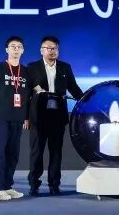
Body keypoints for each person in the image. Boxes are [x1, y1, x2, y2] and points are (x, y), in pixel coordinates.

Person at [26, 35, 84, 196]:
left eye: (55, 48)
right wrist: (26, 117)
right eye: (48, 48)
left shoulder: (65, 67)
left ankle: (54, 184)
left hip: (58, 116)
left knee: (56, 152)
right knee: (36, 152)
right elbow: (26, 92)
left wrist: (85, 99)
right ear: (41, 50)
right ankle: (34, 184)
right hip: (38, 116)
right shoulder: (32, 67)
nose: (52, 51)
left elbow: (73, 88)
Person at [0, 36, 31, 201]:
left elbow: (27, 97)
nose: (16, 49)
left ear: (23, 50)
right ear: (7, 49)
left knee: (13, 154)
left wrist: (26, 117)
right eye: (13, 46)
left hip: (18, 118)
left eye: (19, 47)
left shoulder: (26, 71)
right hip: (0, 117)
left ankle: (7, 186)